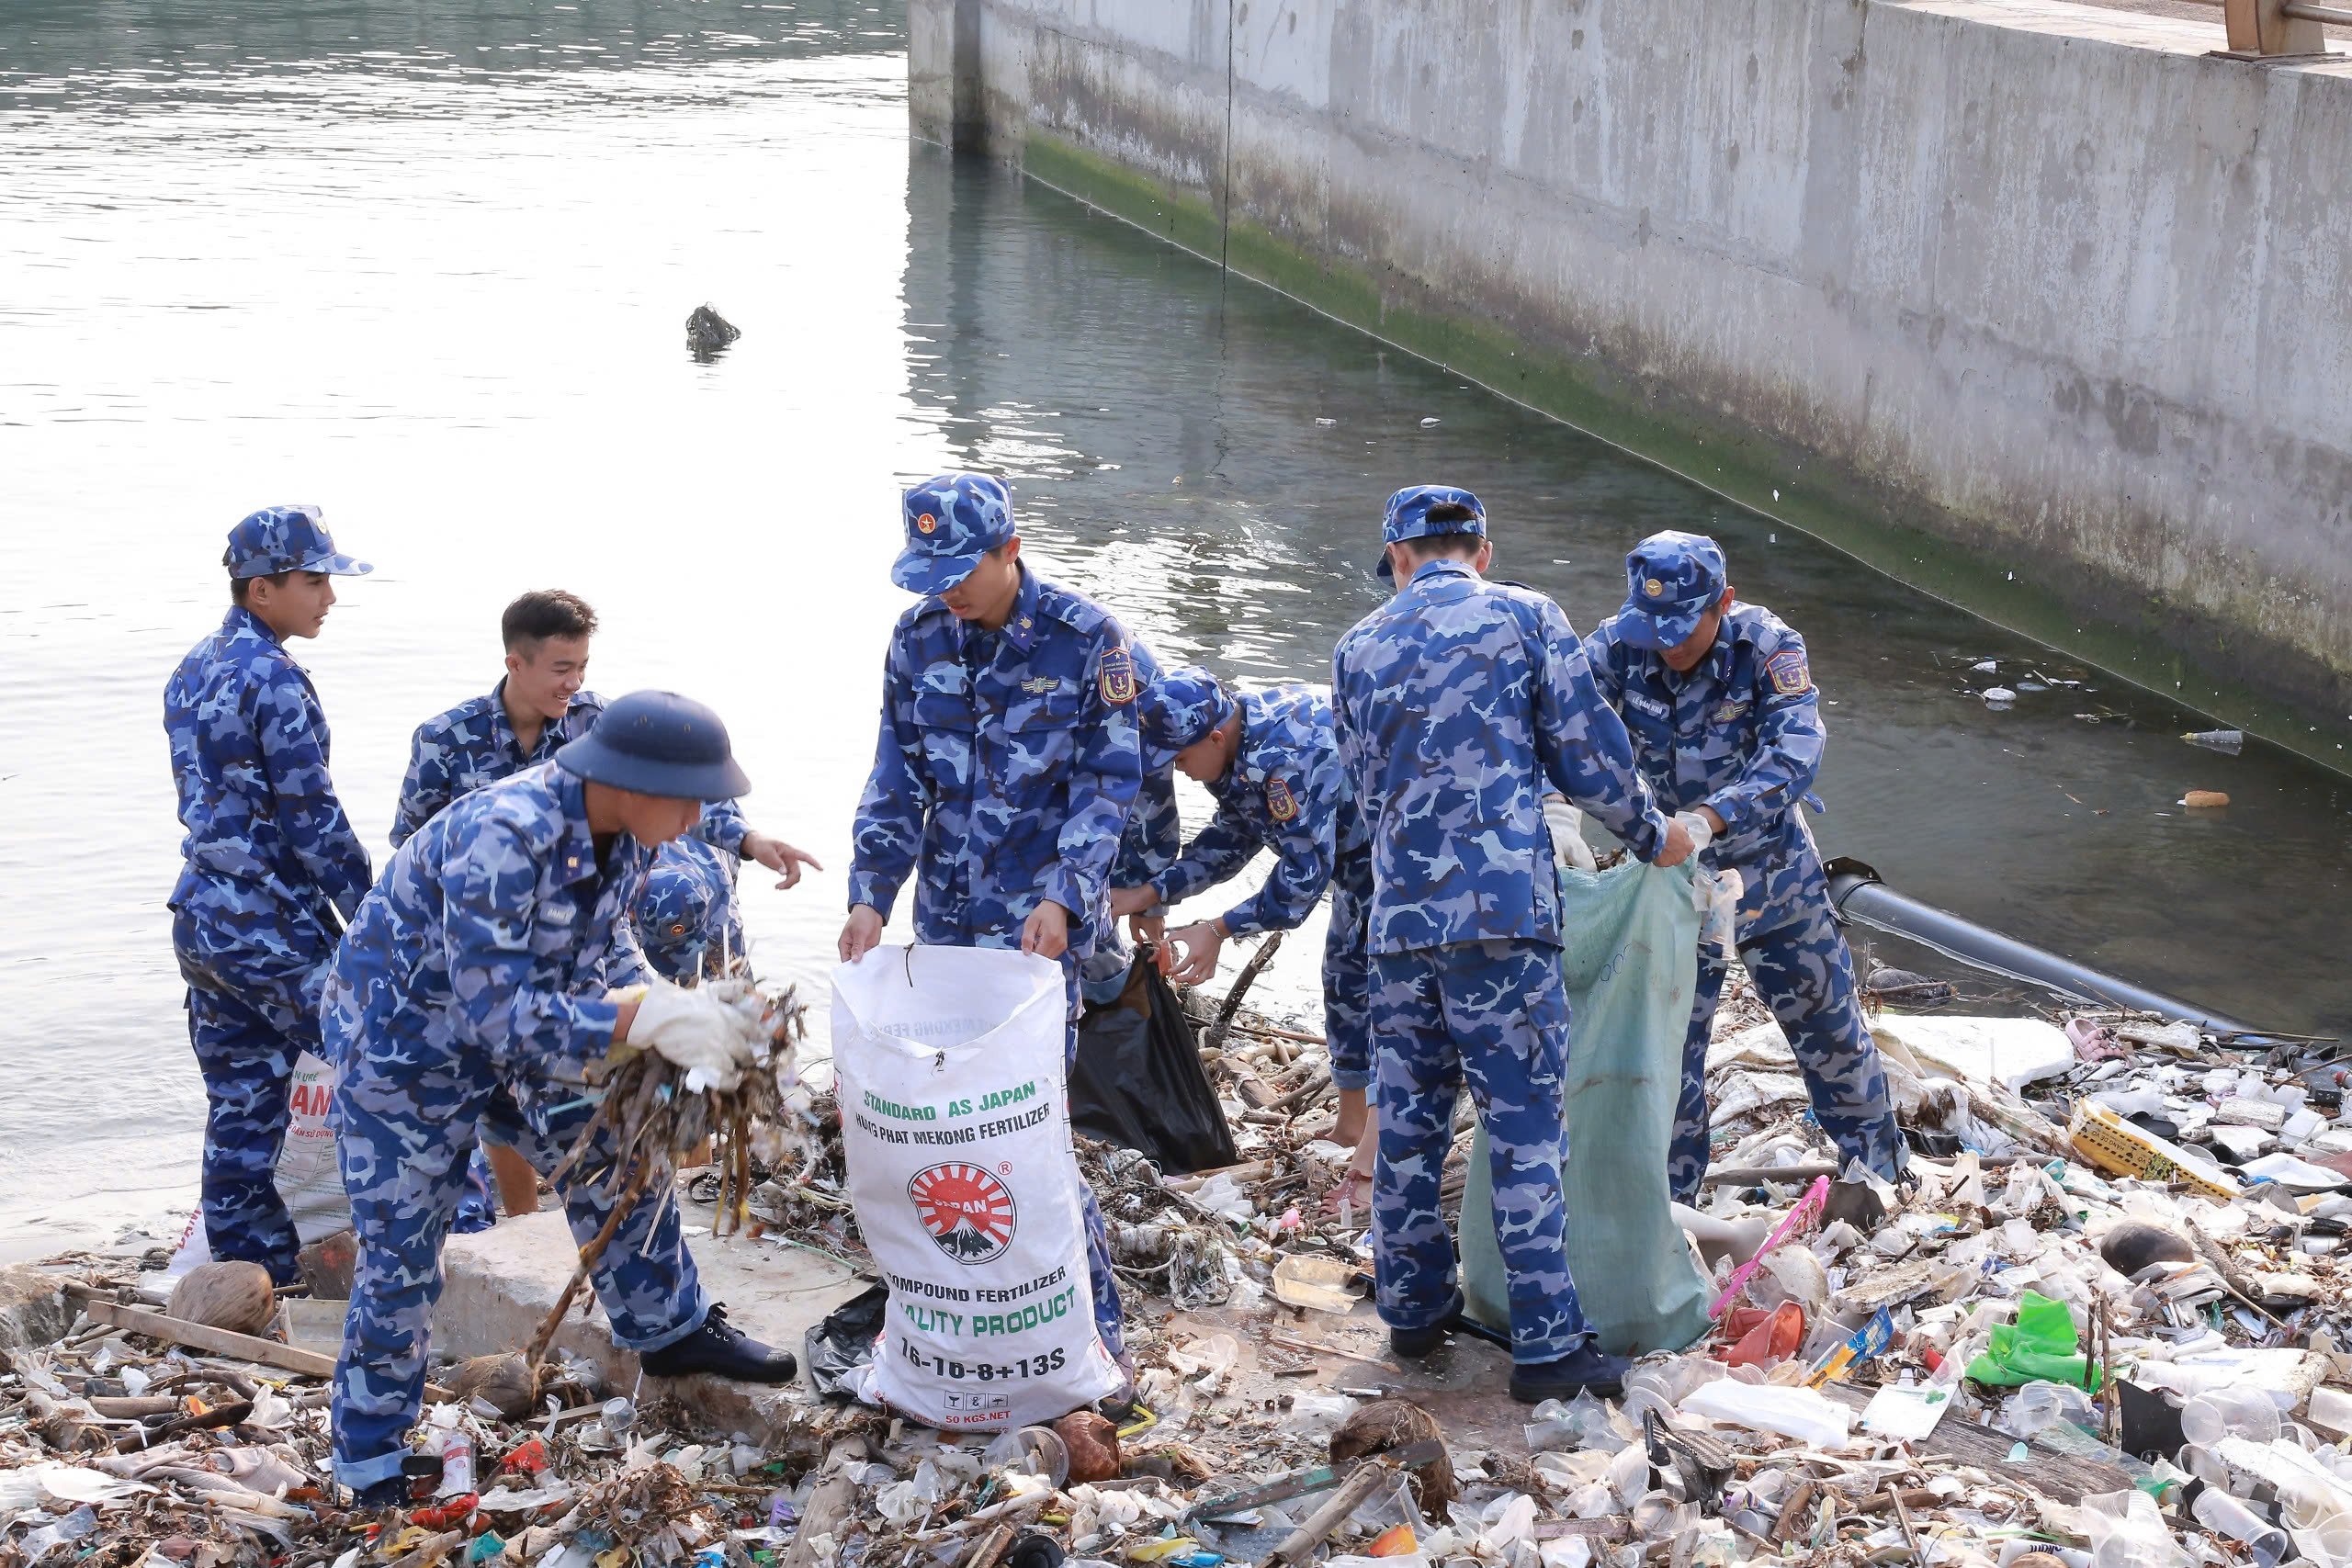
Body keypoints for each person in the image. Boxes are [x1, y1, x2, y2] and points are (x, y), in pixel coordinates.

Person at [324, 692, 798, 1504]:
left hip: (529, 1021)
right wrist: (645, 1019)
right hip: (405, 1042)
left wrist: (672, 1005)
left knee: (615, 1145)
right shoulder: (502, 839)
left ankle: (671, 1329)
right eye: (689, 800)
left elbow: (604, 951)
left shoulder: (623, 833)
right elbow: (496, 1016)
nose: (697, 820)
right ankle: (367, 1457)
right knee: (403, 1248)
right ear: (635, 783)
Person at [1332, 484, 1693, 1403]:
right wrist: (1654, 837)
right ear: (1481, 550)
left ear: (1400, 556)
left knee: (1409, 1126)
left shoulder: (1356, 647)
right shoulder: (1527, 617)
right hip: (1501, 922)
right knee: (1525, 1129)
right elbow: (1587, 754)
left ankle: (1412, 1314)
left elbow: (1363, 794)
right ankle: (1543, 1347)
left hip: (1400, 926)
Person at [840, 472, 1146, 1371]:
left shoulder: (1087, 641)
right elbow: (894, 778)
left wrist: (1063, 894)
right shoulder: (918, 636)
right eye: (928, 572)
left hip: (1039, 938)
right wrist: (870, 894)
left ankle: (1095, 1344)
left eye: (959, 570)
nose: (946, 590)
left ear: (1009, 548)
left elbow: (1108, 788)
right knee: (945, 1131)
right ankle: (972, 1326)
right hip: (946, 929)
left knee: (1030, 1134)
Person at [390, 590, 816, 1218]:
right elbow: (411, 849)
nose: (575, 682)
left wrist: (748, 842)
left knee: (619, 1081)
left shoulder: (602, 723)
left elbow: (686, 799)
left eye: (582, 667)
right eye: (562, 668)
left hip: (568, 935)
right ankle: (518, 1220)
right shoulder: (448, 742)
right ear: (517, 661)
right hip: (483, 948)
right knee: (491, 1093)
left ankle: (672, 1195)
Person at [1583, 531, 1905, 1202]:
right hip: (1673, 885)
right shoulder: (1619, 644)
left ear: (1722, 602)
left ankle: (1878, 1173)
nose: (1667, 646)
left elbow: (1796, 751)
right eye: (1655, 629)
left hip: (1770, 872)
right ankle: (1670, 1209)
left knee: (1830, 1027)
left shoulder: (1765, 646)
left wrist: (1709, 817)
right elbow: (1564, 723)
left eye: (1683, 628)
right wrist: (1564, 810)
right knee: (1670, 1053)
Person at [164, 504, 376, 1286]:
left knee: (243, 1102)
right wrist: (380, 919)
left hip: (203, 919)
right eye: (314, 580)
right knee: (384, 1056)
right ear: (262, 590)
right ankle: (440, 1234)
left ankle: (251, 1272)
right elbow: (314, 821)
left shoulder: (191, 667)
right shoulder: (276, 680)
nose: (329, 597)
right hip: (269, 926)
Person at [1108, 668, 1374, 1199]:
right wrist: (1150, 893)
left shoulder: (1286, 762)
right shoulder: (1236, 742)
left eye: (1180, 760)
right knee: (1343, 980)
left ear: (1212, 738)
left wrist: (1219, 929)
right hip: (1358, 856)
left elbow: (1301, 881)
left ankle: (1380, 1150)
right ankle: (1350, 1126)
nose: (1180, 774)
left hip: (1404, 857)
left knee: (1384, 994)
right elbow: (1232, 839)